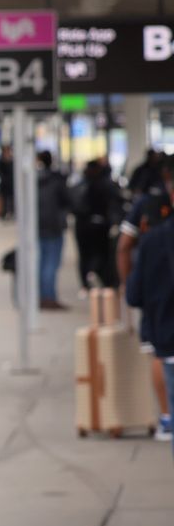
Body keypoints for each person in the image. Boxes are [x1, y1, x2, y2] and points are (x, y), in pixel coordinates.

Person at [118, 164, 173, 442]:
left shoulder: (146, 207)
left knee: (161, 354)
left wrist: (128, 284)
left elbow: (124, 245)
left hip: (158, 292)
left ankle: (166, 417)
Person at [73, 158, 120, 290]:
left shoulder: (79, 185)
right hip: (100, 225)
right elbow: (115, 202)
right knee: (101, 253)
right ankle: (98, 274)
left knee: (85, 254)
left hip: (82, 225)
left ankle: (87, 281)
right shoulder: (106, 184)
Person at [35, 150, 72, 310]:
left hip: (37, 225)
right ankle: (48, 297)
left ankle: (41, 295)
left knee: (42, 262)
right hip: (54, 226)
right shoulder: (57, 180)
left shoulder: (32, 180)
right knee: (51, 263)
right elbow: (67, 200)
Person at [0, 147, 15, 220]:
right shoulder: (1, 161)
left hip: (11, 184)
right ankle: (4, 214)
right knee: (4, 200)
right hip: (4, 184)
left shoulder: (12, 161)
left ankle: (12, 213)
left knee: (11, 200)